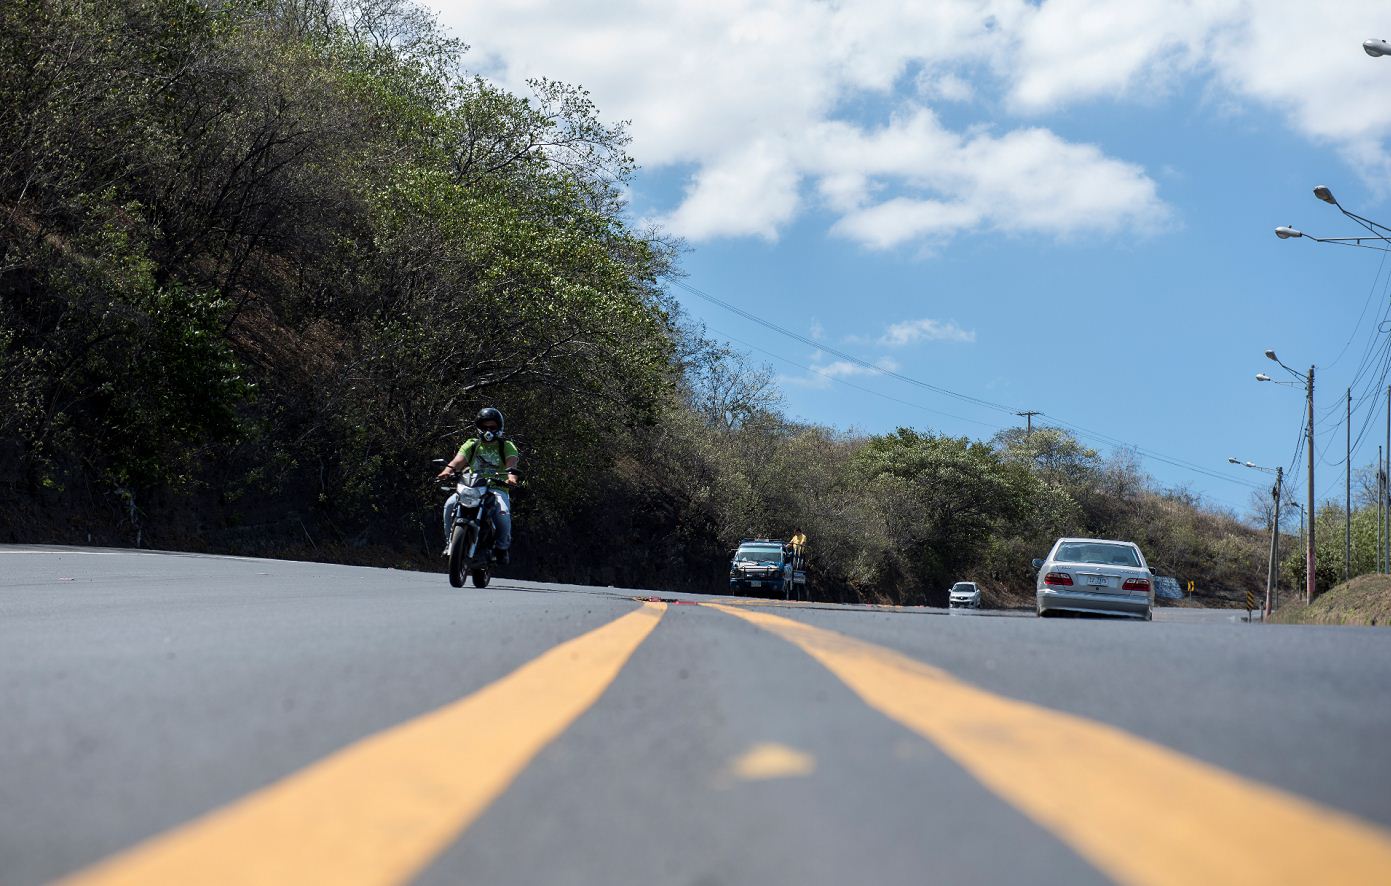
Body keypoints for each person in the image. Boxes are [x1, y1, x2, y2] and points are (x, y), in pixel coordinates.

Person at [437, 407, 520, 564]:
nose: (488, 431)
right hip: (472, 486)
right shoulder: (472, 444)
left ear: (499, 428)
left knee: (502, 513)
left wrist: (512, 478)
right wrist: (447, 471)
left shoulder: (506, 446)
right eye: (484, 427)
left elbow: (512, 465)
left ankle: (502, 548)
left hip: (496, 488)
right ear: (478, 427)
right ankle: (450, 544)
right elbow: (457, 461)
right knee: (449, 504)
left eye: (492, 427)